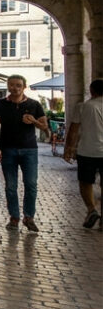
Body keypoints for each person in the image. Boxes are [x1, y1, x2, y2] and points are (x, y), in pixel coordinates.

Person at [0, 74, 48, 232]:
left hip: (29, 150)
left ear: (24, 87)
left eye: (18, 85)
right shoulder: (0, 104)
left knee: (31, 184)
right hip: (8, 149)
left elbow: (44, 127)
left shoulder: (34, 104)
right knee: (11, 186)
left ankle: (29, 217)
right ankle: (14, 217)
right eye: (12, 85)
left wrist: (34, 121)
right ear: (8, 86)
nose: (14, 88)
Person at [63, 79, 103, 229]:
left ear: (92, 91)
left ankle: (91, 209)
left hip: (87, 151)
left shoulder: (83, 106)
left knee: (85, 182)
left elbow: (73, 129)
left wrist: (68, 148)